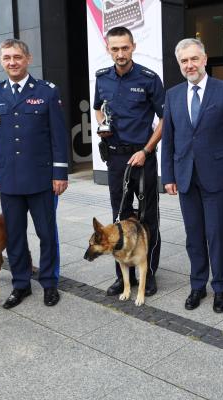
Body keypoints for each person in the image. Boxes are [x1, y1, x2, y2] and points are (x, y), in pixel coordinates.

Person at [0, 39, 69, 309]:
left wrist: (60, 173)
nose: (12, 62)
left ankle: (49, 283)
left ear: (28, 58)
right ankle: (21, 284)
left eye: (17, 57)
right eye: (7, 57)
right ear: (1, 61)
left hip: (42, 179)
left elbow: (58, 136)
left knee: (46, 233)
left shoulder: (46, 92)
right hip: (9, 181)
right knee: (16, 235)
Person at [161, 38, 223, 313]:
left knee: (216, 233)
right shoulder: (172, 95)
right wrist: (168, 176)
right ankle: (198, 285)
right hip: (185, 178)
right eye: (184, 61)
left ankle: (220, 287)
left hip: (217, 178)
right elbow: (169, 139)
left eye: (194, 59)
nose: (189, 65)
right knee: (193, 235)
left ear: (205, 59)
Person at [93, 26, 164, 297]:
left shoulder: (148, 78)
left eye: (125, 47)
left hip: (142, 156)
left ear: (133, 46)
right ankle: (123, 275)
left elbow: (164, 120)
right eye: (115, 49)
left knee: (147, 218)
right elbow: (98, 107)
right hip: (116, 157)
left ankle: (150, 272)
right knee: (119, 216)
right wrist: (102, 124)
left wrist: (146, 150)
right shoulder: (102, 78)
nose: (120, 53)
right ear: (108, 49)